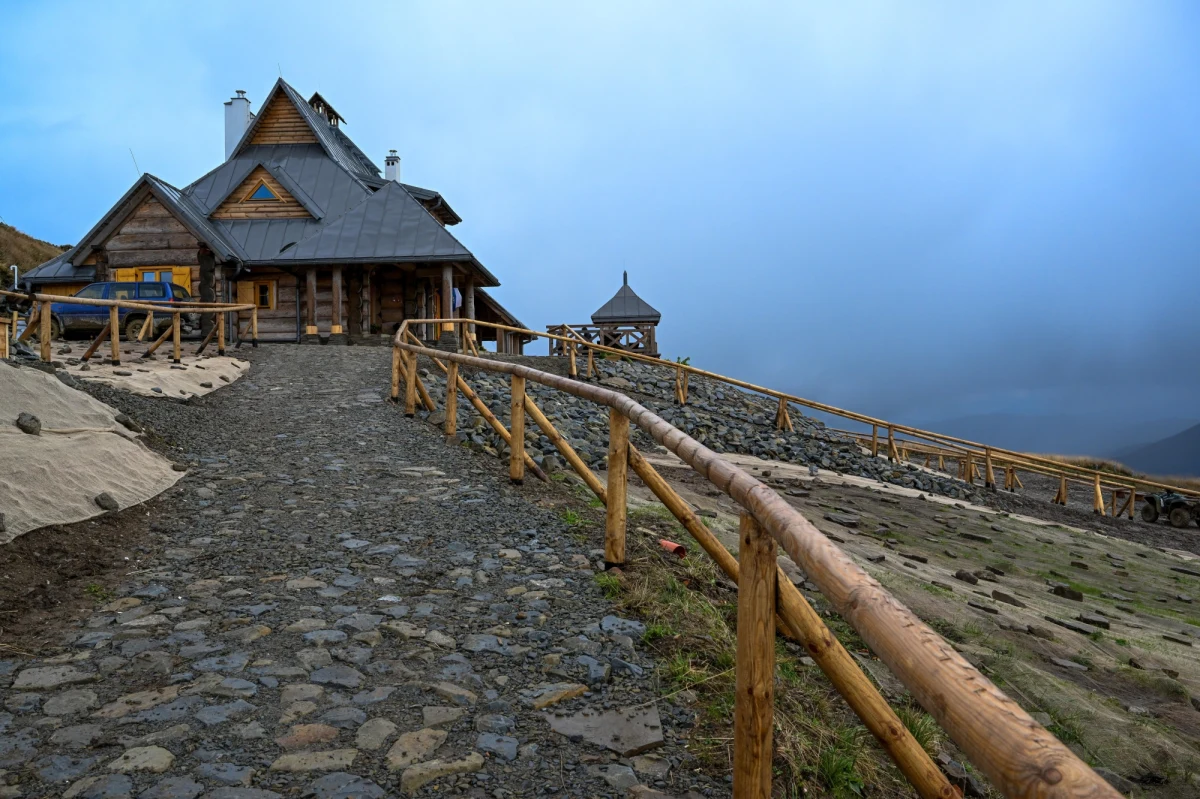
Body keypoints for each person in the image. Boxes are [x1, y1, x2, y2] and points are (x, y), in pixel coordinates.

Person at [197, 244, 216, 337]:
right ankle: (206, 333)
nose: (202, 251)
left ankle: (209, 333)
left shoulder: (209, 262)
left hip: (208, 290)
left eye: (205, 250)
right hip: (205, 290)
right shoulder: (202, 259)